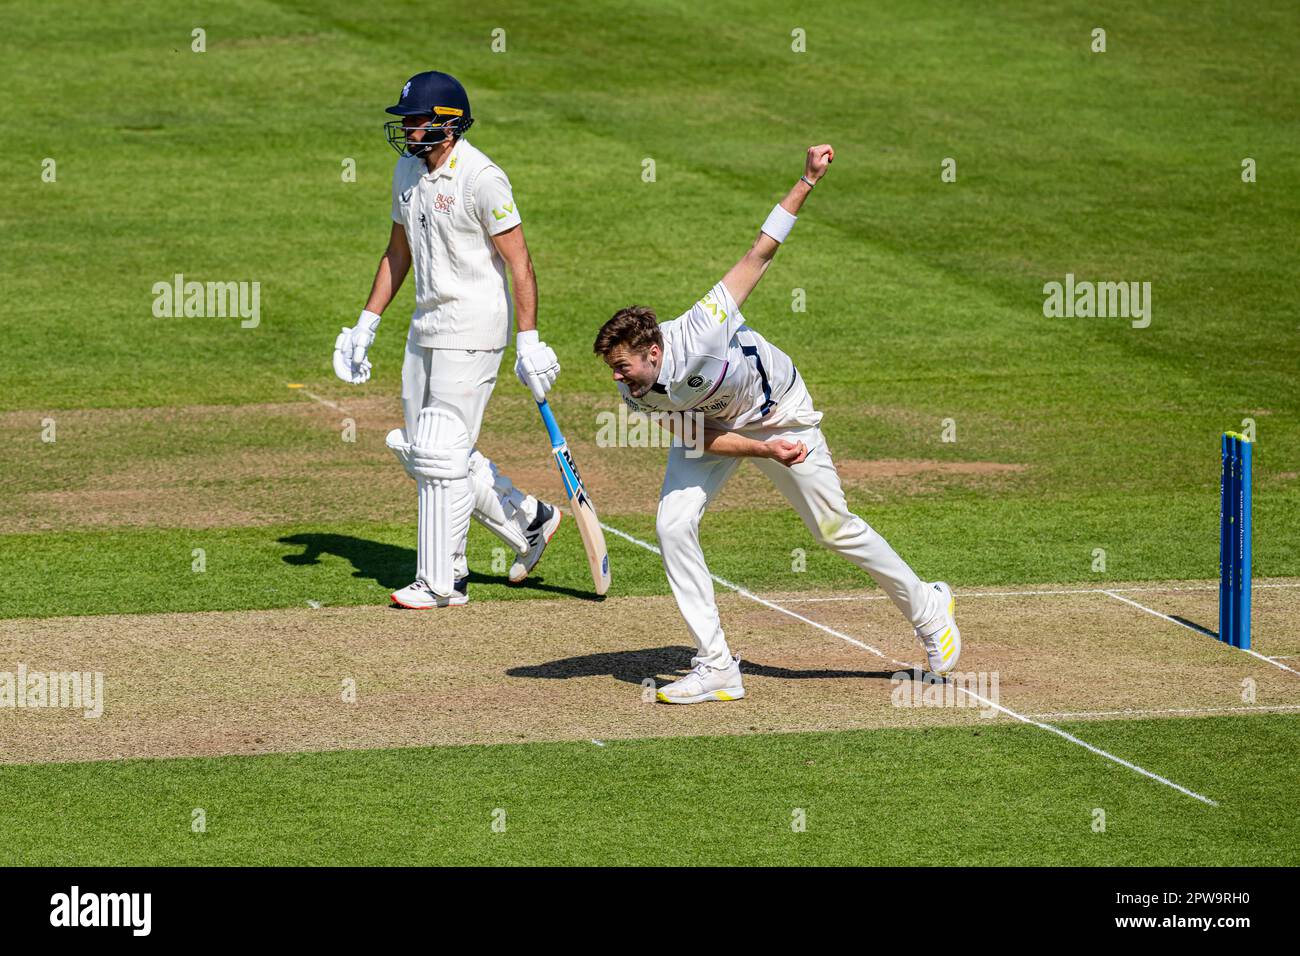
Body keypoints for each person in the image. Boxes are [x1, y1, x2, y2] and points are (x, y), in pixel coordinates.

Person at [592, 145, 961, 703]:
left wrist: (807, 180)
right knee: (672, 522)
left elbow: (760, 253)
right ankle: (716, 666)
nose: (619, 379)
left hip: (781, 410)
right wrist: (764, 454)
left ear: (651, 348)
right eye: (614, 371)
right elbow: (704, 439)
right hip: (720, 429)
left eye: (623, 365)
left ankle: (929, 606)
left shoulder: (703, 325)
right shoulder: (637, 393)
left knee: (833, 529)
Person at [332, 71, 562, 608]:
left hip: (475, 328)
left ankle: (442, 581)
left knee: (441, 454)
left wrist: (529, 340)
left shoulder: (482, 178)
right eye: (406, 121)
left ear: (447, 123)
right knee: (427, 454)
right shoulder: (406, 172)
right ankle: (530, 519)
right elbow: (398, 252)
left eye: (415, 120)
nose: (407, 129)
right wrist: (366, 323)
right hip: (425, 327)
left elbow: (520, 263)